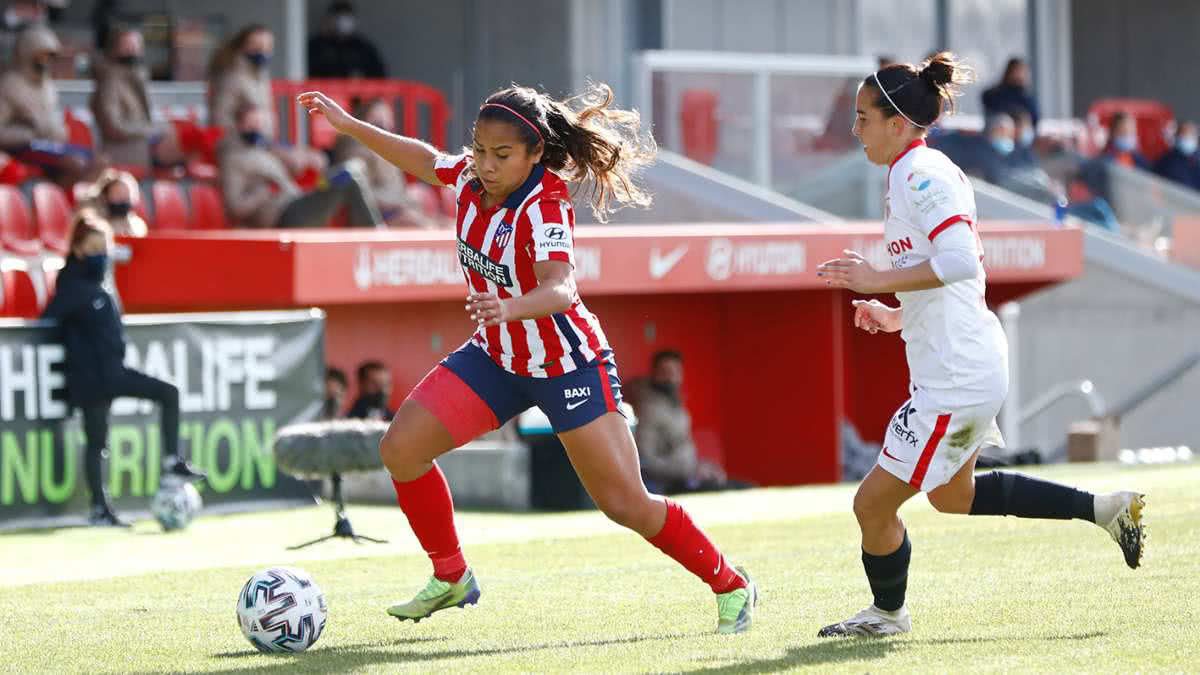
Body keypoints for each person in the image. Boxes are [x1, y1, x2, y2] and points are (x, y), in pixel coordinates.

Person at [299, 81, 758, 634]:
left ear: (536, 153)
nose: (485, 165)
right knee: (400, 449)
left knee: (626, 504)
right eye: (479, 149)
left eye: (502, 155)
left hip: (568, 365)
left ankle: (731, 584)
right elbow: (425, 160)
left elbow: (561, 289)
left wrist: (509, 308)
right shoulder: (472, 175)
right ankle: (451, 576)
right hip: (497, 358)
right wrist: (349, 127)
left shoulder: (544, 206)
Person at [813, 52, 1146, 638]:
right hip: (963, 366)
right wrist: (896, 316)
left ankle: (888, 615)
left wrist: (876, 279)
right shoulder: (910, 175)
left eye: (863, 117)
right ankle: (1104, 508)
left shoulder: (921, 175)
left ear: (897, 124)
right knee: (951, 495)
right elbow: (942, 278)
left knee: (871, 505)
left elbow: (961, 261)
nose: (855, 129)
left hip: (956, 378)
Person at [41, 211, 205, 527]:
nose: (100, 256)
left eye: (105, 248)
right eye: (93, 249)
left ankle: (172, 462)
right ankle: (99, 509)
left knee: (168, 393)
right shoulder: (72, 286)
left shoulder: (102, 284)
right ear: (78, 250)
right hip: (90, 379)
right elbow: (48, 319)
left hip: (114, 373)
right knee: (97, 442)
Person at [217, 101, 380, 228]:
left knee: (348, 172)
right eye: (251, 123)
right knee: (348, 175)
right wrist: (263, 192)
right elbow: (235, 207)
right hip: (283, 215)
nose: (256, 127)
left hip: (297, 200)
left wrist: (306, 158)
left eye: (259, 122)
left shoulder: (266, 148)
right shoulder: (234, 158)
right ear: (239, 126)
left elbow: (296, 168)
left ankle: (370, 233)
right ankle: (376, 235)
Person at [207, 24, 325, 176]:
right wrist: (250, 139)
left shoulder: (260, 76)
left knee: (317, 159)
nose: (262, 52)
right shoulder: (232, 77)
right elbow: (220, 122)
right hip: (242, 147)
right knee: (294, 164)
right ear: (242, 47)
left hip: (265, 143)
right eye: (256, 46)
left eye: (266, 47)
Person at [0, 23, 89, 185]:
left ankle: (62, 202)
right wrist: (30, 134)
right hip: (21, 149)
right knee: (75, 163)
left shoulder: (48, 86)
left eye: (49, 57)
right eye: (41, 56)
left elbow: (56, 122)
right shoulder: (9, 85)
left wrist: (57, 131)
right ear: (27, 54)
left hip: (49, 146)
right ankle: (51, 203)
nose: (46, 61)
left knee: (91, 158)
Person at [635, 349, 731, 494]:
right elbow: (646, 463)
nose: (671, 378)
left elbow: (684, 455)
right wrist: (691, 471)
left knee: (741, 486)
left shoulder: (677, 406)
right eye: (665, 372)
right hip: (668, 487)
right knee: (735, 489)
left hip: (688, 478)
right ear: (654, 374)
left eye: (676, 372)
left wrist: (704, 467)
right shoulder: (648, 409)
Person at [90, 27, 183, 171]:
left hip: (140, 145)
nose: (133, 51)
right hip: (121, 150)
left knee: (185, 139)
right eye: (127, 46)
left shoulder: (136, 78)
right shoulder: (110, 81)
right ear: (114, 49)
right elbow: (112, 127)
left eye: (136, 46)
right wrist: (149, 131)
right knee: (182, 144)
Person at [332, 99, 434, 228]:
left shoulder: (391, 147)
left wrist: (406, 202)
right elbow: (360, 192)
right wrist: (397, 203)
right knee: (419, 225)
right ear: (362, 120)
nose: (383, 124)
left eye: (387, 119)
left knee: (444, 224)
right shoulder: (356, 149)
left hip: (400, 209)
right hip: (377, 217)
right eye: (377, 119)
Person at [307, 1, 386, 79]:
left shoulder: (363, 48)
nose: (343, 24)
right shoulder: (316, 46)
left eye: (347, 18)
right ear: (329, 19)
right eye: (338, 18)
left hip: (356, 91)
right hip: (324, 90)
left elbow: (379, 76)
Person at [981, 56, 1039, 130]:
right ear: (1010, 71)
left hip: (1023, 135)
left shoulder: (1027, 96)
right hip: (1000, 133)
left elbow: (1035, 119)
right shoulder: (996, 94)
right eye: (1018, 70)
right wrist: (1016, 114)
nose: (1021, 74)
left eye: (1023, 71)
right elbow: (988, 99)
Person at [88, 168, 148, 237]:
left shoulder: (138, 226)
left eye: (126, 195)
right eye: (118, 194)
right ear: (105, 196)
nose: (122, 198)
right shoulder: (94, 225)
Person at [1154, 120, 1200, 190]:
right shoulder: (1167, 159)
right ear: (1177, 136)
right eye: (1184, 134)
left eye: (1191, 135)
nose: (1187, 138)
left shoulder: (1197, 162)